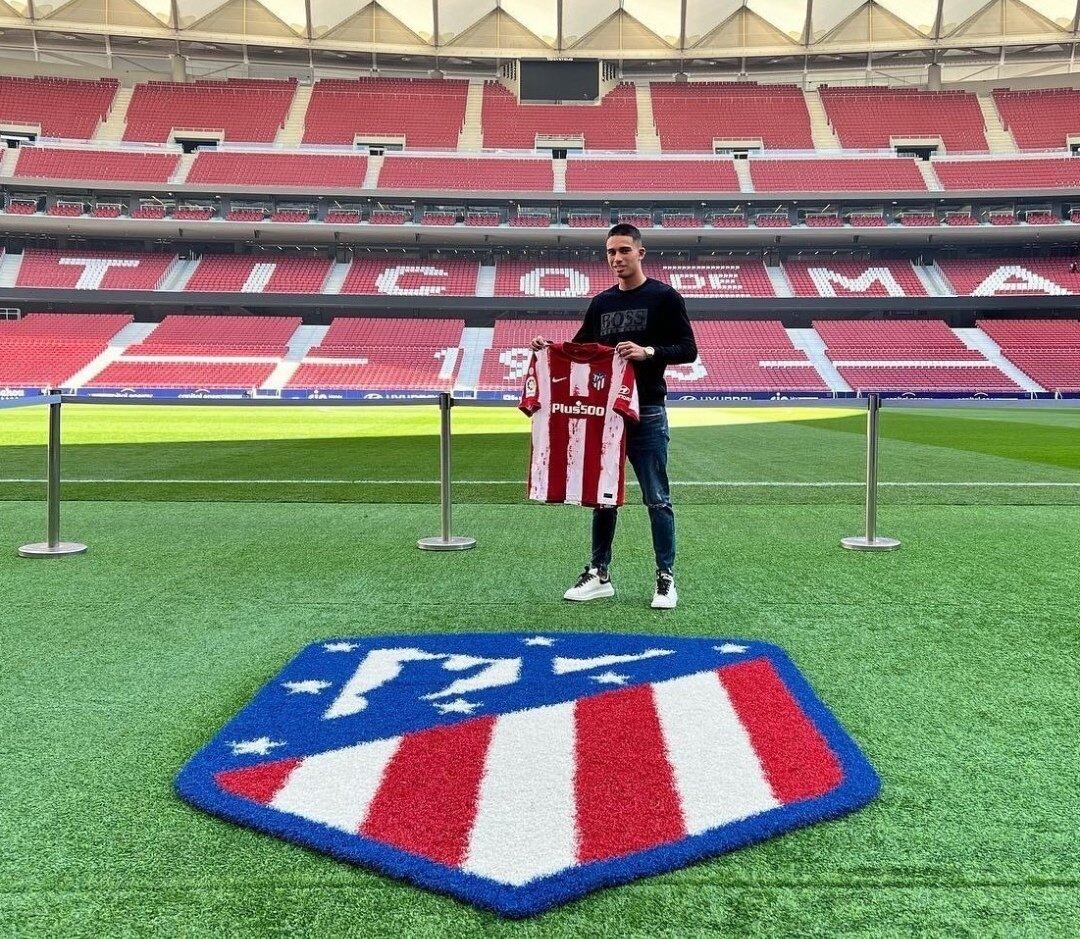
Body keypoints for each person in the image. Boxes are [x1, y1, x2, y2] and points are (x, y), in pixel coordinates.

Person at [529, 223, 697, 609]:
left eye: (624, 250)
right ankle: (599, 574)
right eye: (610, 252)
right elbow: (579, 348)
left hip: (648, 409)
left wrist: (648, 351)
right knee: (603, 496)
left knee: (657, 497)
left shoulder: (664, 297)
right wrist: (546, 347)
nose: (617, 258)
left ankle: (665, 579)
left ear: (640, 252)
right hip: (605, 416)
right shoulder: (601, 303)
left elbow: (688, 349)